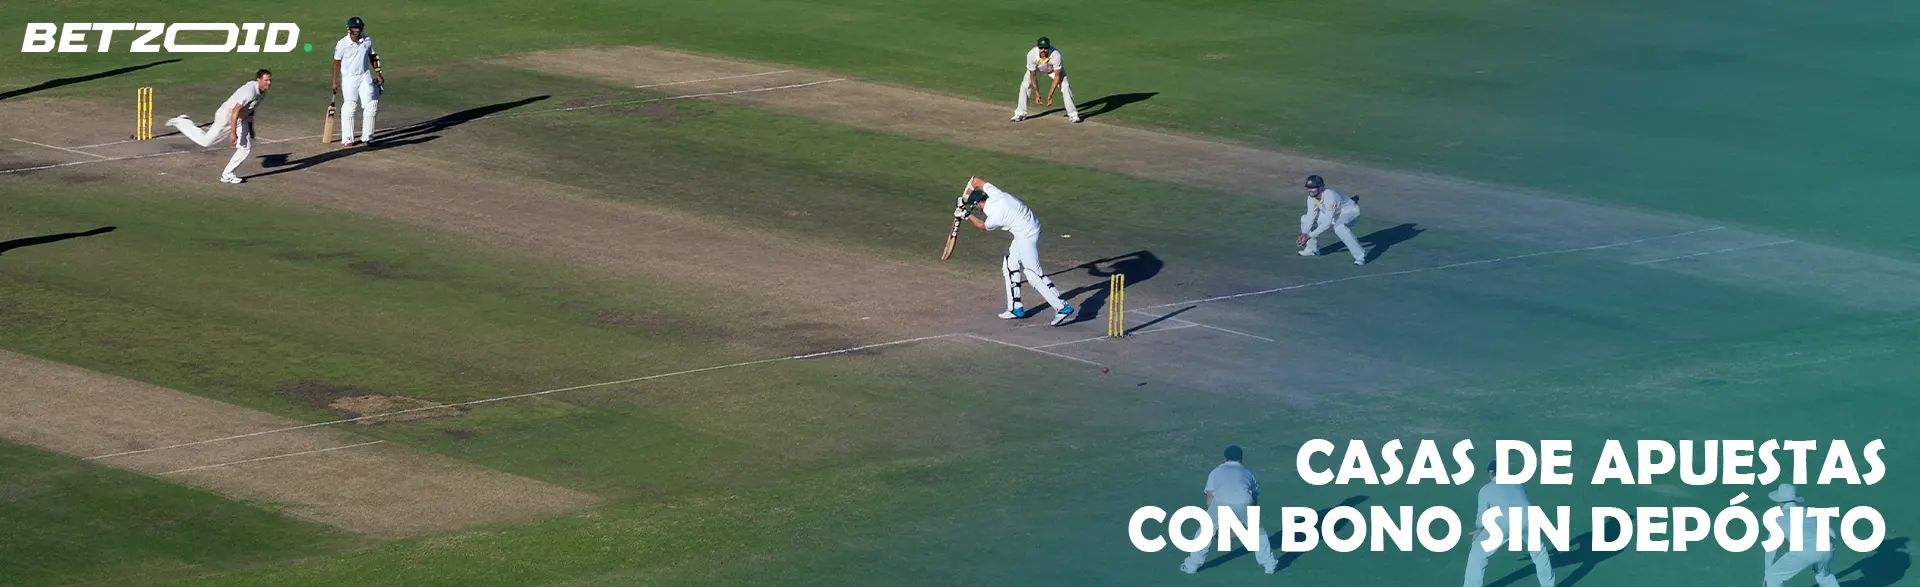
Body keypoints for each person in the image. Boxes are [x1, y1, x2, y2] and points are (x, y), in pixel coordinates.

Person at [959, 176, 1075, 326]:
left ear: (979, 205)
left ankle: (1062, 307)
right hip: (1027, 227)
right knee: (1010, 264)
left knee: (1033, 274)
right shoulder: (995, 193)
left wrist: (966, 215)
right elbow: (975, 180)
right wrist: (965, 196)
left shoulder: (995, 215)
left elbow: (982, 226)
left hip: (1027, 235)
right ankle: (1015, 308)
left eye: (976, 207)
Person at [1181, 445, 1278, 574]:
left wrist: (1212, 521)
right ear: (1241, 459)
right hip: (1245, 501)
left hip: (1221, 501)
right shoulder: (1248, 473)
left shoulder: (1216, 472)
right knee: (1259, 533)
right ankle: (1269, 565)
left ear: (1224, 458)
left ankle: (1191, 566)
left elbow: (1210, 496)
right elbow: (1253, 498)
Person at [164, 69, 271, 184]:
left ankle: (227, 175)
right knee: (205, 142)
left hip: (241, 119)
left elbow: (251, 108)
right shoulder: (249, 91)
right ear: (258, 80)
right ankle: (182, 122)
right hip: (226, 117)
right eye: (266, 80)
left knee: (244, 148)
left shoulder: (263, 90)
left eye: (270, 80)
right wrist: (233, 132)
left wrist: (250, 127)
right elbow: (235, 111)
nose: (269, 82)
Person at [1464, 459, 1555, 587]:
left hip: (1505, 521)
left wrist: (1479, 529)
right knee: (1539, 551)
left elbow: (1482, 517)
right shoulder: (1518, 484)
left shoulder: (1486, 489)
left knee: (1477, 553)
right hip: (1530, 517)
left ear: (1491, 473)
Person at [1762, 484, 1842, 587]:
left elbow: (1772, 547)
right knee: (1824, 576)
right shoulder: (1810, 512)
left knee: (1773, 576)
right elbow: (1832, 533)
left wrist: (1767, 573)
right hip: (1827, 548)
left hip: (1806, 551)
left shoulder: (1778, 518)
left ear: (1779, 503)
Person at [332, 16, 383, 147]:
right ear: (349, 29)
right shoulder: (342, 43)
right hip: (349, 78)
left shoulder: (367, 41)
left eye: (359, 28)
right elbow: (336, 63)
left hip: (364, 76)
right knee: (350, 106)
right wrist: (334, 82)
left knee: (371, 104)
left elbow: (373, 57)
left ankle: (368, 136)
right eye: (354, 28)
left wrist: (378, 73)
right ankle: (348, 138)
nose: (357, 30)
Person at [1295, 174, 1368, 265]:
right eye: (1308, 188)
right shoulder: (1311, 198)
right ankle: (1311, 249)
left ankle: (1360, 256)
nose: (1310, 190)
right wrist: (1304, 233)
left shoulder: (1330, 196)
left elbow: (1327, 223)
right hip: (1333, 214)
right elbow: (1310, 216)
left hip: (1349, 212)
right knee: (1305, 219)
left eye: (1313, 187)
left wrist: (1309, 236)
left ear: (1321, 187)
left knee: (1339, 227)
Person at [1011, 37, 1081, 123]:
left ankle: (1073, 114)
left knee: (1065, 86)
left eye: (1045, 48)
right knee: (1025, 85)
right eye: (1041, 48)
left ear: (1049, 47)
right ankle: (1020, 113)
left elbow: (1057, 76)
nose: (1043, 50)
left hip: (1052, 70)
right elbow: (1032, 76)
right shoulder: (1031, 55)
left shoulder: (1056, 55)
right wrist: (1037, 93)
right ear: (1038, 47)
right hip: (1037, 70)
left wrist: (1050, 94)